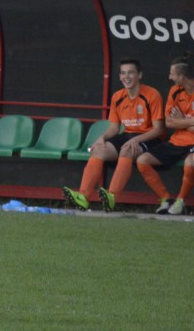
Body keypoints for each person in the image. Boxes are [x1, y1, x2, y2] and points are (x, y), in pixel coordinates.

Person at [62, 59, 164, 211]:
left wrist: (136, 140)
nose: (126, 77)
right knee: (99, 150)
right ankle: (83, 197)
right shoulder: (117, 96)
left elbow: (158, 130)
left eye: (130, 72)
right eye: (123, 73)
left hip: (150, 138)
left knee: (126, 150)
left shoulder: (152, 94)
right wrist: (102, 138)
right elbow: (115, 128)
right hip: (127, 135)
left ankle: (112, 197)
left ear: (140, 75)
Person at [135, 53, 194, 215]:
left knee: (190, 163)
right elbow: (168, 123)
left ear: (182, 76)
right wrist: (189, 123)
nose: (170, 77)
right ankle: (165, 199)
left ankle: (180, 201)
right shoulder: (175, 91)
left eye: (172, 74)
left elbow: (176, 122)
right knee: (142, 160)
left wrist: (181, 121)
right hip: (177, 141)